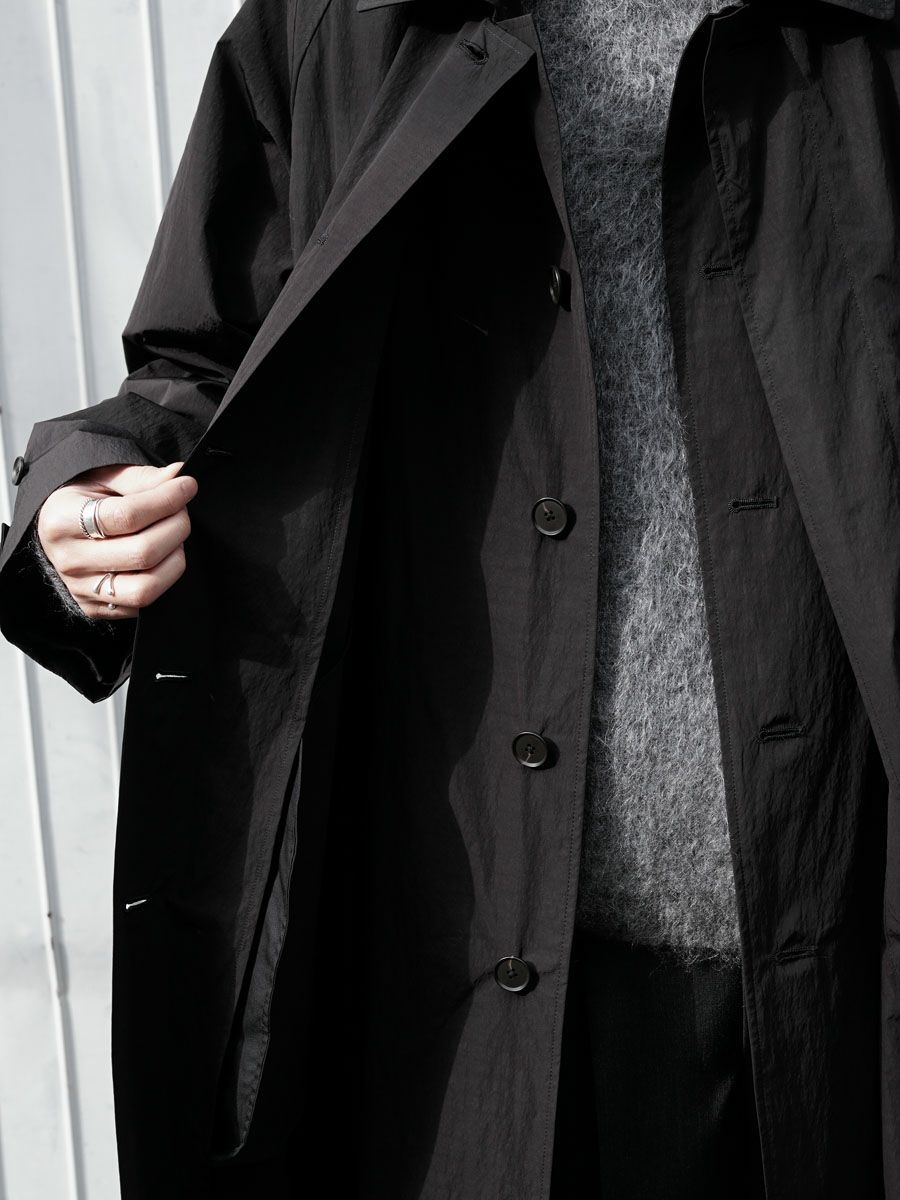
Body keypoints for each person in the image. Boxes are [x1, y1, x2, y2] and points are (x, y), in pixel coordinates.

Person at [2, 0, 899, 1196]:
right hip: (466, 982)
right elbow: (208, 361)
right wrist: (88, 487)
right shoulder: (349, 24)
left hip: (831, 958)